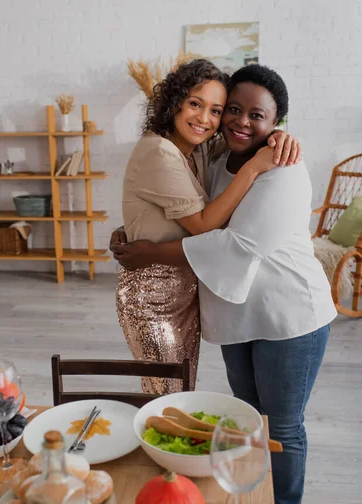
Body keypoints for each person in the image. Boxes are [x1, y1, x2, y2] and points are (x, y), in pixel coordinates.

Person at [111, 64, 337, 504]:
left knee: (282, 426)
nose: (235, 121)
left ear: (278, 123)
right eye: (230, 109)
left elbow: (235, 244)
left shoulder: (281, 168)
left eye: (256, 116)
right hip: (236, 314)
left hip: (288, 315)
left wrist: (149, 251)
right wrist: (134, 232)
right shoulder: (217, 156)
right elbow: (177, 199)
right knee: (248, 419)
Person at [116, 59, 300, 395]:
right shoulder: (160, 150)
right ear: (175, 102)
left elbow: (245, 133)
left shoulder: (198, 148)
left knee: (180, 390)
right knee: (164, 392)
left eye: (216, 110)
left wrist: (277, 134)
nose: (205, 119)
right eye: (195, 104)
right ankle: (148, 446)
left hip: (188, 290)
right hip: (153, 290)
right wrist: (255, 168)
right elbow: (202, 224)